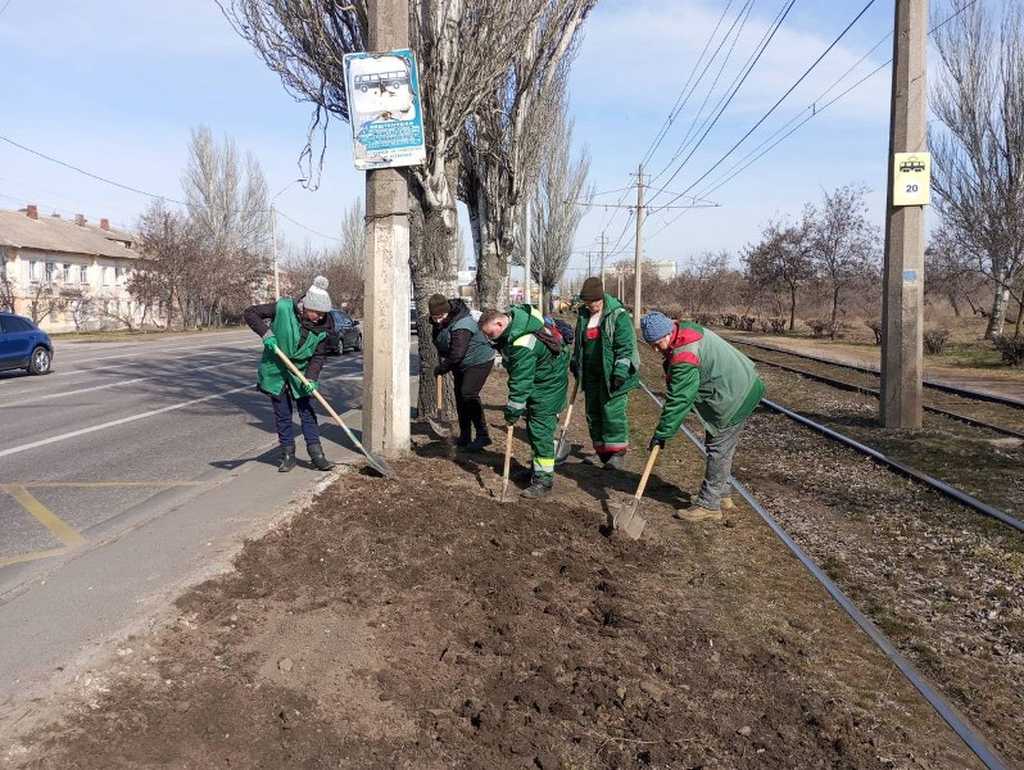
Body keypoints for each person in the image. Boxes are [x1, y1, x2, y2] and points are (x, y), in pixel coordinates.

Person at [640, 310, 764, 522]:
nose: (654, 349)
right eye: (651, 344)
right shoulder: (683, 330)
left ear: (668, 334)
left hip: (735, 394)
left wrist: (662, 434)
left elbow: (680, 400)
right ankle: (722, 495)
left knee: (718, 448)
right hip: (740, 385)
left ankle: (709, 506)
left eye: (657, 343)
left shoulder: (685, 354)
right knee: (719, 446)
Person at [244, 276, 338, 474]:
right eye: (317, 313)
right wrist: (266, 334)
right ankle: (288, 455)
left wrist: (312, 378)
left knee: (308, 414)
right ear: (306, 306)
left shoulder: (324, 327)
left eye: (323, 314)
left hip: (301, 374)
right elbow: (251, 313)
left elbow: (319, 356)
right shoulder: (284, 308)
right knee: (283, 415)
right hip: (276, 370)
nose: (319, 317)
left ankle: (316, 455)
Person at [479, 304, 570, 498]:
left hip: (547, 388)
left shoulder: (522, 343)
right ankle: (537, 471)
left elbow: (521, 381)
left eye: (492, 334)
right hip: (544, 380)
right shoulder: (521, 318)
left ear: (500, 322)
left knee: (541, 433)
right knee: (534, 430)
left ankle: (543, 481)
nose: (491, 338)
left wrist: (513, 410)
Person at [570, 277, 639, 470]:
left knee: (612, 412)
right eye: (588, 303)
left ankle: (617, 453)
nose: (592, 306)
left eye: (595, 302)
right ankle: (601, 452)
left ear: (602, 298)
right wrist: (576, 361)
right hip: (591, 372)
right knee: (593, 411)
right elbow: (580, 343)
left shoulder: (617, 315)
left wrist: (620, 372)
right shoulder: (583, 315)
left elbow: (625, 346)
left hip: (613, 374)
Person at [428, 293, 495, 450]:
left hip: (479, 360)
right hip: (461, 363)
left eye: (440, 316)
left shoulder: (463, 324)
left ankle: (482, 435)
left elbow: (457, 353)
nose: (437, 320)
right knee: (459, 397)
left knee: (468, 394)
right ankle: (465, 436)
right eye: (434, 316)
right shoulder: (440, 321)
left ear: (448, 311)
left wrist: (442, 368)